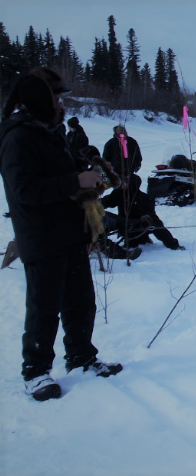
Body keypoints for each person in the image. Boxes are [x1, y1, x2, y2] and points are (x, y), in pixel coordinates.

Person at [0, 69, 122, 402]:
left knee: (81, 303)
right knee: (43, 308)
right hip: (41, 237)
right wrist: (74, 183)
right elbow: (24, 190)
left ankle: (82, 357)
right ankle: (36, 372)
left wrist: (91, 177)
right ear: (38, 100)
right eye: (55, 97)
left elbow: (66, 172)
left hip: (70, 233)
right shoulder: (18, 137)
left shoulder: (51, 131)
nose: (60, 103)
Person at [100, 174, 184, 251]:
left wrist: (146, 218)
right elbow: (105, 202)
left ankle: (172, 245)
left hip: (140, 225)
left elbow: (150, 213)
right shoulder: (119, 194)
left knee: (155, 222)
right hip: (124, 226)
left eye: (125, 183)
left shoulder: (144, 198)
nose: (122, 185)